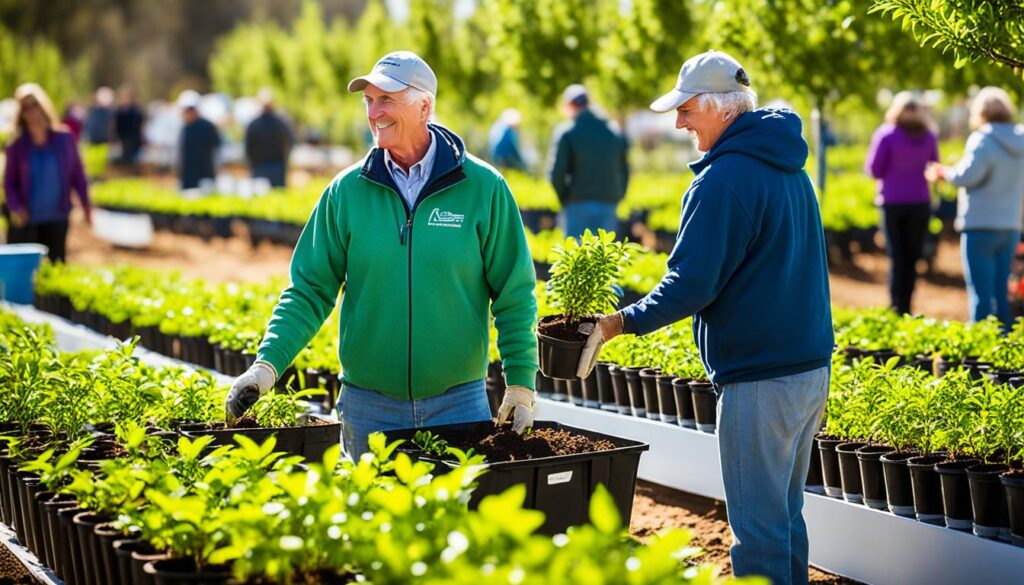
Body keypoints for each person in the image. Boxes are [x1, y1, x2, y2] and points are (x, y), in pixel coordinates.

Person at [577, 51, 833, 585]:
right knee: (784, 519)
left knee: (758, 534)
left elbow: (690, 285)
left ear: (719, 109)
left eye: (687, 109)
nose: (679, 123)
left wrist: (615, 323)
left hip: (760, 379)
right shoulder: (790, 167)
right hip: (809, 370)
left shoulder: (724, 179)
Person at [224, 51, 539, 459]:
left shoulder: (483, 188)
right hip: (368, 410)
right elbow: (309, 289)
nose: (374, 112)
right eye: (369, 101)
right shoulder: (346, 191)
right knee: (368, 522)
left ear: (425, 106)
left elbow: (514, 295)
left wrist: (520, 385)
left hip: (458, 405)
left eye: (387, 99)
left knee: (453, 522)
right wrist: (266, 366)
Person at [927, 87, 1024, 328]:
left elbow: (966, 176)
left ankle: (980, 349)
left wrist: (943, 172)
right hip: (1010, 224)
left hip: (980, 224)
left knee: (981, 295)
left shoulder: (982, 139)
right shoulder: (1020, 138)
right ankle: (1006, 347)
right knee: (1002, 293)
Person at [864, 91, 939, 315]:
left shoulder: (886, 135)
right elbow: (935, 167)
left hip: (892, 203)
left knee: (897, 257)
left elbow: (874, 169)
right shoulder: (929, 136)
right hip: (920, 203)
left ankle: (896, 306)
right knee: (912, 257)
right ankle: (907, 306)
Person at [3, 83, 92, 263]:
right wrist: (17, 208)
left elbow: (77, 175)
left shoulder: (64, 139)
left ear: (43, 105)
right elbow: (9, 183)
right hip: (29, 219)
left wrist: (86, 205)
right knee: (28, 270)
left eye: (34, 104)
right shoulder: (17, 146)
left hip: (58, 215)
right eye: (25, 108)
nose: (31, 111)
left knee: (56, 263)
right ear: (21, 114)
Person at [547, 84, 629, 239]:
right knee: (605, 257)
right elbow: (624, 170)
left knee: (577, 256)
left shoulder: (567, 132)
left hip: (577, 203)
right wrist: (618, 195)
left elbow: (556, 173)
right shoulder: (613, 131)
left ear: (570, 106)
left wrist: (564, 197)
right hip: (608, 203)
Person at [244, 88, 295, 188]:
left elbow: (248, 149)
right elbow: (291, 142)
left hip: (261, 168)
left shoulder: (253, 124)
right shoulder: (281, 123)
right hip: (276, 167)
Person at [176, 90, 221, 190]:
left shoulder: (208, 127)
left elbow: (216, 153)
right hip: (187, 179)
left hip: (205, 178)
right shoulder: (184, 128)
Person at [113, 85, 145, 167]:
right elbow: (116, 124)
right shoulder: (119, 110)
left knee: (133, 159)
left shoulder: (136, 110)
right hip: (123, 137)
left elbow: (139, 124)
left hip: (133, 138)